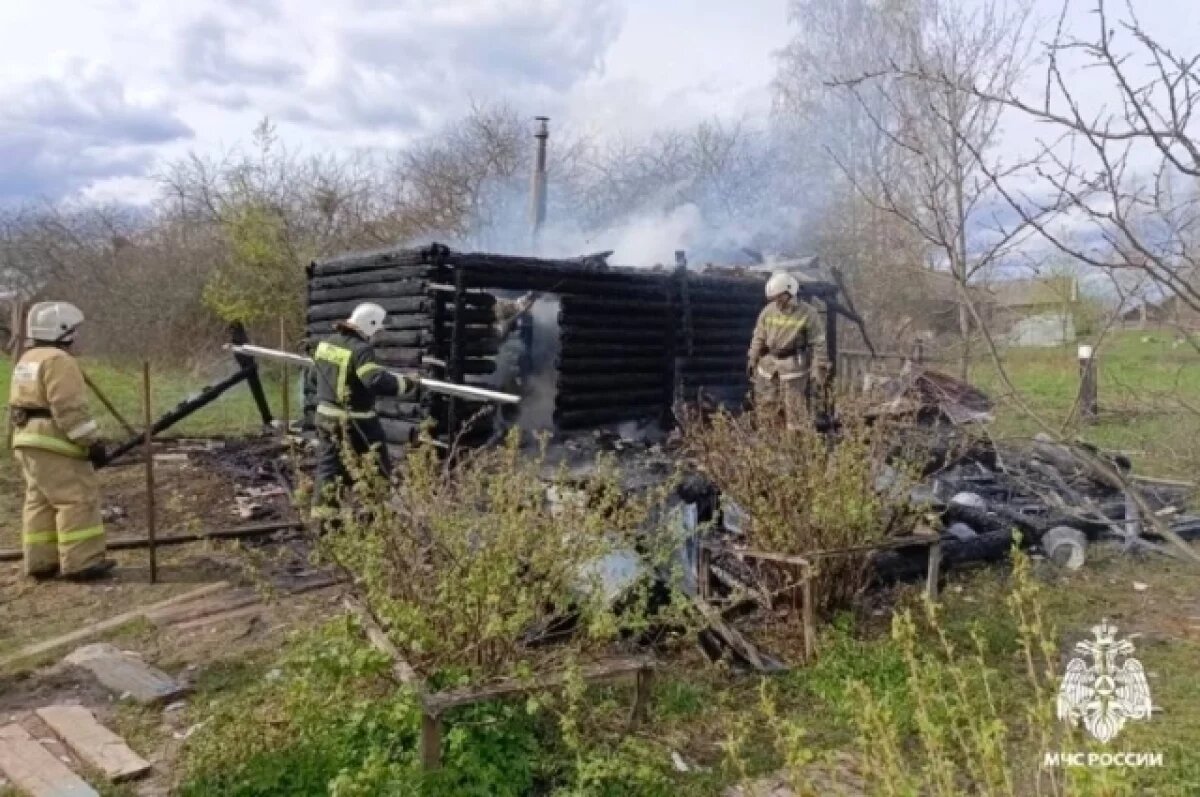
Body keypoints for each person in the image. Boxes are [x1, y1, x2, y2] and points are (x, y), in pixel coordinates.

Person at [8, 301, 113, 580]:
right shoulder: (59, 360)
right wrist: (91, 443)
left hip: (26, 440)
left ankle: (41, 561)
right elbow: (69, 409)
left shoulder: (28, 358)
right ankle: (82, 563)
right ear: (62, 330)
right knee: (76, 500)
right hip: (54, 441)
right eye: (74, 331)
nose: (77, 337)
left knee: (39, 501)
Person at [309, 302, 418, 517]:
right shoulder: (362, 350)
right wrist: (408, 383)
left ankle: (325, 524)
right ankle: (375, 516)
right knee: (376, 467)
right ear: (369, 325)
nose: (376, 336)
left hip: (324, 418)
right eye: (376, 330)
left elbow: (313, 378)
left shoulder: (326, 344)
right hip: (358, 422)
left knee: (328, 469)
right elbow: (376, 380)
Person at [747, 273, 824, 430]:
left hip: (794, 368)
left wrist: (819, 369)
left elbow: (819, 343)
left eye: (779, 297)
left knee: (795, 412)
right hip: (769, 367)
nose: (777, 302)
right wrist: (752, 358)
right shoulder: (768, 311)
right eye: (774, 298)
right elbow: (758, 337)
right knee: (766, 407)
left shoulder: (808, 313)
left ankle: (796, 448)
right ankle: (770, 446)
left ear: (790, 292)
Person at [488, 292, 539, 438]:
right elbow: (501, 332)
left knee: (511, 393)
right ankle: (500, 429)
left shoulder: (507, 312)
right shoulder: (495, 319)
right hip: (494, 365)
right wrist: (520, 310)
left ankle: (508, 429)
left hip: (501, 365)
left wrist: (522, 307)